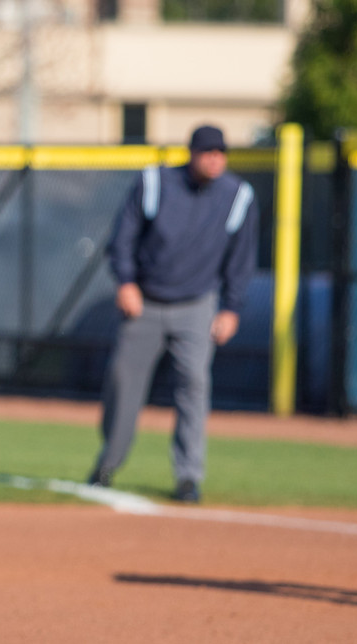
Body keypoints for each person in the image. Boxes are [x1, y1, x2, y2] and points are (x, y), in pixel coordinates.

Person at [87, 124, 259, 503]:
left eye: (220, 152)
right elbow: (123, 238)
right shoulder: (156, 182)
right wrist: (126, 281)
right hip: (145, 301)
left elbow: (241, 260)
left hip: (197, 305)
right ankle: (107, 463)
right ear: (192, 153)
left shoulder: (238, 195)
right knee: (123, 383)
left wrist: (232, 308)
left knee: (194, 386)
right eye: (207, 152)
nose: (215, 159)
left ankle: (188, 476)